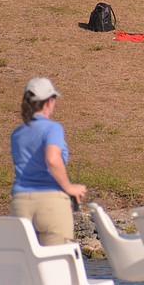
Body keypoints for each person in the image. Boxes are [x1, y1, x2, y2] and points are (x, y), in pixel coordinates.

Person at [10, 77, 87, 246]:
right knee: (57, 259)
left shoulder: (17, 133)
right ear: (48, 102)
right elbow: (52, 159)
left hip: (20, 204)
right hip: (50, 203)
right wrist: (69, 187)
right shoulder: (52, 129)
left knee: (25, 259)